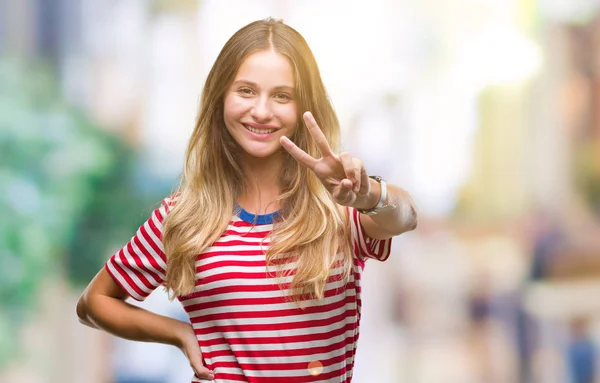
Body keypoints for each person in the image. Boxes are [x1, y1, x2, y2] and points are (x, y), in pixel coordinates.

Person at [76, 17, 417, 383]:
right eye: (246, 91)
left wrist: (368, 194)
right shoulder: (184, 217)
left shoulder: (338, 207)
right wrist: (179, 334)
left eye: (282, 95)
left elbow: (406, 216)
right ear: (221, 96)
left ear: (305, 108)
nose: (262, 111)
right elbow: (94, 303)